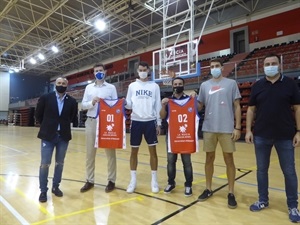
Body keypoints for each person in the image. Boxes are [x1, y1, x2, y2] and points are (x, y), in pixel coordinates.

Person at [245, 53, 300, 223]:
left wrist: (299, 131)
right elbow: (251, 110)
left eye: (273, 63)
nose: (270, 66)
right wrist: (248, 130)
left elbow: (297, 108)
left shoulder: (290, 84)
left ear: (279, 65)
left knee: (289, 172)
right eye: (267, 63)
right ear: (263, 67)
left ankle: (292, 205)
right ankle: (263, 200)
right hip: (261, 135)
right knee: (262, 170)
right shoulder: (257, 86)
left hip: (285, 136)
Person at [197, 58, 241, 209]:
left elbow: (237, 106)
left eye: (217, 66)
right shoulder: (204, 85)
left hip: (227, 128)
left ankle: (231, 192)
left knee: (229, 159)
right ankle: (208, 188)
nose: (214, 68)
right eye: (212, 66)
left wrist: (237, 127)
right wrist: (190, 99)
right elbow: (199, 106)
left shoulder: (231, 83)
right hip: (209, 127)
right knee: (209, 158)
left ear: (222, 68)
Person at [35, 77, 78, 203]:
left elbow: (71, 117)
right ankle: (43, 190)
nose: (61, 85)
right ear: (55, 85)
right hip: (48, 136)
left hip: (63, 137)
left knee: (60, 163)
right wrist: (48, 126)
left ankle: (56, 186)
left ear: (67, 86)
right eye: (59, 83)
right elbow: (38, 115)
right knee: (44, 164)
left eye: (63, 84)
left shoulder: (72, 101)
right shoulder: (45, 98)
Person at [80, 63, 118, 193]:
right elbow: (83, 105)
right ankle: (89, 180)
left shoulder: (111, 88)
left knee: (110, 154)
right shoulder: (89, 87)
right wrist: (92, 102)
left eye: (101, 70)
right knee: (90, 154)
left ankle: (111, 180)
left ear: (105, 72)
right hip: (91, 121)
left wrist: (107, 103)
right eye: (96, 71)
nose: (99, 72)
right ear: (94, 73)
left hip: (107, 123)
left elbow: (116, 105)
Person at [125, 61, 162, 193]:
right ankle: (133, 180)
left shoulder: (155, 86)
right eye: (140, 69)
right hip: (136, 121)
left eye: (144, 69)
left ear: (148, 70)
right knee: (134, 151)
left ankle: (154, 180)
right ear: (137, 71)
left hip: (150, 121)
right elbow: (129, 105)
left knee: (153, 152)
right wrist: (123, 102)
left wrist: (159, 122)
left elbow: (158, 105)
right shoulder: (132, 86)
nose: (142, 71)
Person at [160, 77, 198, 197]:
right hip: (171, 136)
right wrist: (163, 105)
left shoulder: (189, 99)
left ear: (184, 85)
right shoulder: (169, 100)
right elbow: (162, 116)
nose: (177, 85)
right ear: (172, 86)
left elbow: (198, 110)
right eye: (175, 84)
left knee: (187, 162)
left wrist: (195, 98)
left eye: (180, 84)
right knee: (171, 161)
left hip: (186, 135)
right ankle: (171, 183)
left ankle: (188, 184)